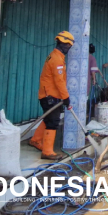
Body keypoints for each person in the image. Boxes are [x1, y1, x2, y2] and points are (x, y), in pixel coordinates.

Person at [29, 31, 74, 160]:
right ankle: (47, 152)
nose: (68, 49)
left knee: (48, 118)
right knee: (53, 121)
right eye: (68, 46)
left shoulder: (55, 56)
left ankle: (36, 140)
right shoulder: (56, 59)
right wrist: (66, 97)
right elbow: (58, 81)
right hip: (49, 96)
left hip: (49, 94)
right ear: (63, 44)